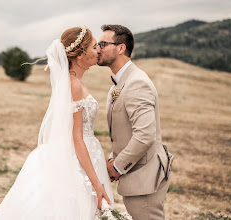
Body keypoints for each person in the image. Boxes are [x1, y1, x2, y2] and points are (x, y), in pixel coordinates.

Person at [0, 26, 113, 220]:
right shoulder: (73, 85)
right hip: (80, 156)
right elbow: (76, 137)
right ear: (80, 55)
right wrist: (96, 183)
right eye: (93, 47)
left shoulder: (76, 82)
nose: (98, 50)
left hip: (90, 153)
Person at [98, 24, 174, 220]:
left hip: (145, 176)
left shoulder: (136, 83)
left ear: (121, 48)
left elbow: (145, 135)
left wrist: (117, 167)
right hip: (137, 174)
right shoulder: (122, 82)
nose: (98, 48)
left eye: (103, 44)